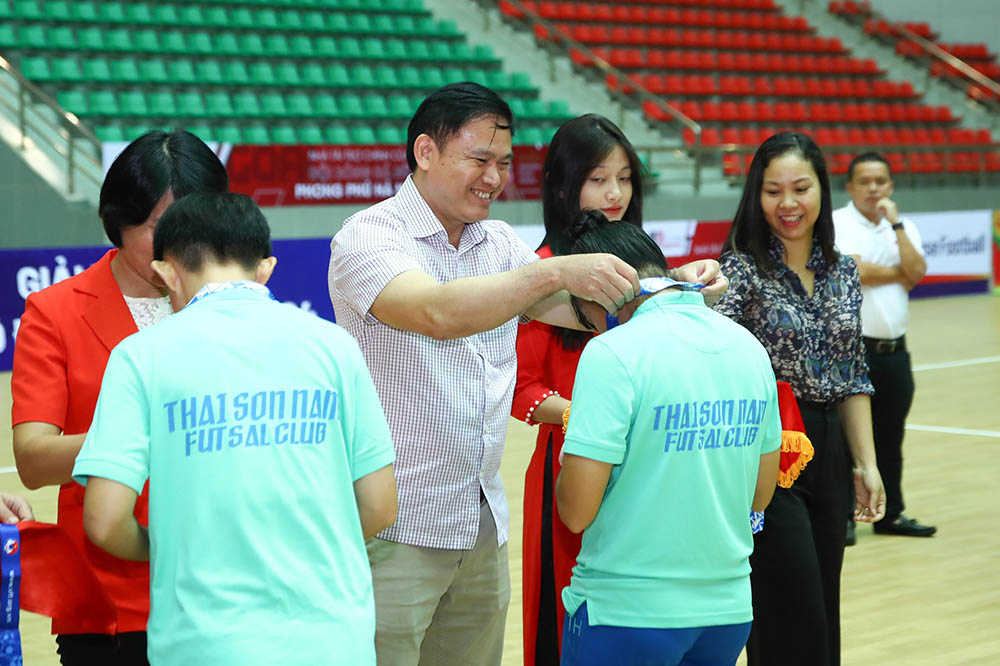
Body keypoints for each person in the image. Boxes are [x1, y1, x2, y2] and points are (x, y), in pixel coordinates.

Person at [329, 82, 726, 666]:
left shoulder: (496, 242)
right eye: (480, 160)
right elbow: (436, 311)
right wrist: (551, 271)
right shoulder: (368, 238)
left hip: (480, 525)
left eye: (505, 163)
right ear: (425, 152)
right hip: (395, 529)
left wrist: (676, 285)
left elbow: (585, 313)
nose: (494, 178)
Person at [72, 192, 398, 666]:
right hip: (334, 641)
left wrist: (164, 545)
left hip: (202, 643)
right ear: (265, 268)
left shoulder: (141, 356)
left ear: (165, 272)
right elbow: (380, 505)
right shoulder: (334, 346)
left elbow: (103, 520)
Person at [512, 113, 725, 665]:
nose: (615, 193)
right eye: (598, 178)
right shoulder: (539, 271)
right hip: (572, 466)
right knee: (572, 625)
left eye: (625, 178)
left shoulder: (650, 268)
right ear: (564, 185)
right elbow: (521, 387)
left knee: (658, 620)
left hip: (656, 470)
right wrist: (588, 418)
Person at [11, 129, 228, 665]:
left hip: (226, 587)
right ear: (120, 219)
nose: (180, 244)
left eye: (195, 223)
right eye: (159, 227)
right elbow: (35, 459)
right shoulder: (55, 312)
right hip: (111, 600)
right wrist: (149, 435)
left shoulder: (235, 308)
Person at [553, 210, 781, 666]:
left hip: (626, 614)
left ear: (594, 295)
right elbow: (761, 493)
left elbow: (575, 513)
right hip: (727, 613)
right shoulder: (747, 347)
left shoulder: (611, 353)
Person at [712, 132, 886, 666]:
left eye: (800, 188)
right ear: (755, 197)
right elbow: (710, 359)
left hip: (830, 448)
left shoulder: (844, 271)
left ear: (822, 191)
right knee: (790, 609)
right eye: (772, 191)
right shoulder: (738, 270)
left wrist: (866, 463)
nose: (788, 204)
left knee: (823, 606)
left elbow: (853, 373)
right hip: (767, 453)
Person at [833, 153, 935, 542]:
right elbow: (849, 268)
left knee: (891, 435)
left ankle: (890, 514)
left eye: (881, 181)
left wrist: (895, 227)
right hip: (853, 350)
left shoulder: (903, 226)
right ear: (851, 187)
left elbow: (919, 271)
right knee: (845, 439)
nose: (874, 188)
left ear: (890, 186)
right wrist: (898, 272)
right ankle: (842, 515)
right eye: (865, 181)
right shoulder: (837, 223)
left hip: (896, 352)